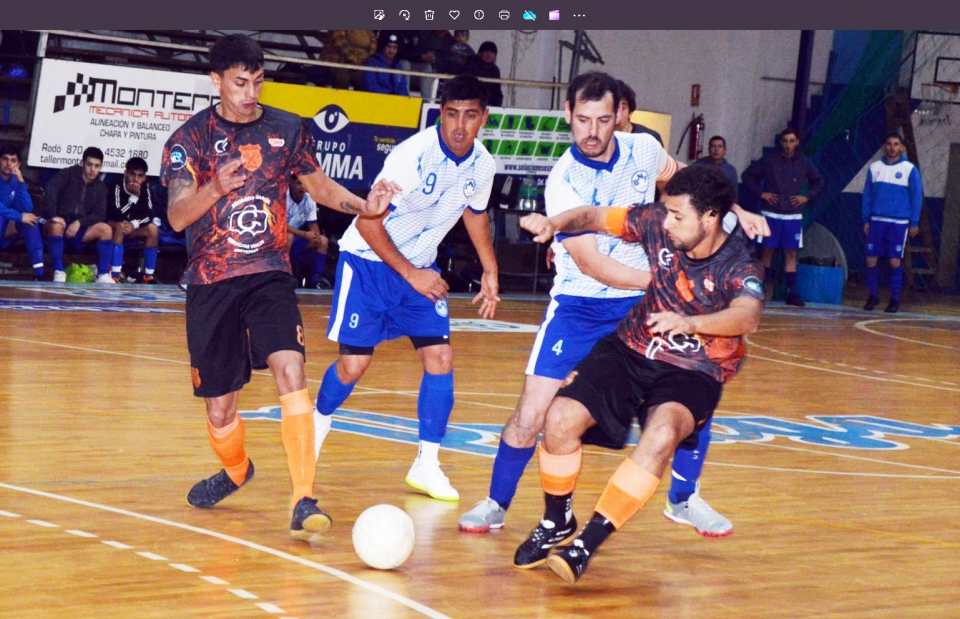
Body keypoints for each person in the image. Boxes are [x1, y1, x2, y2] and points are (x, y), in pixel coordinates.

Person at [459, 72, 767, 540]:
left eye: (603, 119)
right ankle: (496, 502)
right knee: (533, 412)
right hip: (581, 305)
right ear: (568, 115)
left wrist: (732, 209)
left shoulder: (643, 149)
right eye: (583, 120)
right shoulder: (564, 181)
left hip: (643, 306)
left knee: (694, 384)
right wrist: (671, 283)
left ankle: (683, 498)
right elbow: (593, 264)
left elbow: (686, 179)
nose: (593, 131)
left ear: (619, 115)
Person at [159, 34, 399, 541]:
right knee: (220, 408)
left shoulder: (288, 129)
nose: (250, 93)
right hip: (212, 280)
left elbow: (321, 187)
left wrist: (365, 207)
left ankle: (302, 498)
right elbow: (178, 217)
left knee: (291, 369)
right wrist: (216, 187)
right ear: (216, 81)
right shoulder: (189, 140)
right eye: (239, 83)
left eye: (258, 82)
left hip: (269, 272)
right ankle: (237, 469)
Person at [515, 165, 765, 584]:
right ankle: (557, 520)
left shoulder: (739, 266)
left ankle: (586, 544)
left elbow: (747, 316)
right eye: (667, 213)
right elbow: (594, 216)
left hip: (695, 368)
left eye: (679, 216)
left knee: (662, 433)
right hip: (631, 346)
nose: (667, 223)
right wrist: (555, 223)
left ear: (711, 218)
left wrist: (692, 324)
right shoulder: (656, 220)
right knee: (558, 418)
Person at [312, 75, 500, 504]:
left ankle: (427, 464)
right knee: (354, 366)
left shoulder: (483, 165)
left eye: (470, 116)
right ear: (440, 114)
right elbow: (368, 224)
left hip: (420, 268)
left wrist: (490, 269)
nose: (460, 125)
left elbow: (475, 213)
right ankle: (318, 421)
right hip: (368, 263)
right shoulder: (411, 157)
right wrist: (413, 274)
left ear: (484, 118)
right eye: (452, 114)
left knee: (440, 358)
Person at [742, 127, 824, 307]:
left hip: (793, 216)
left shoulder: (803, 162)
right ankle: (761, 290)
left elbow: (818, 181)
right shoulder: (770, 160)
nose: (788, 145)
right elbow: (747, 176)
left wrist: (807, 197)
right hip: (771, 213)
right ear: (781, 142)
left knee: (791, 253)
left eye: (792, 141)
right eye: (785, 141)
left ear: (797, 142)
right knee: (767, 251)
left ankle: (791, 293)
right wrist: (761, 194)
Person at [861, 133, 923, 314]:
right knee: (870, 259)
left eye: (896, 144)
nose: (892, 147)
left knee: (894, 261)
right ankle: (873, 295)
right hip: (876, 221)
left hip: (898, 222)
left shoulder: (909, 169)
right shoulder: (874, 168)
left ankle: (894, 299)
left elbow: (916, 197)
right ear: (884, 146)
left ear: (901, 147)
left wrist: (914, 221)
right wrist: (866, 219)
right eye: (889, 144)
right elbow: (867, 195)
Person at [42, 147, 115, 284]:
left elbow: (99, 213)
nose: (92, 169)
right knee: (56, 225)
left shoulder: (101, 187)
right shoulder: (68, 174)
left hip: (81, 229)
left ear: (101, 167)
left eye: (97, 166)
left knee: (106, 229)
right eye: (89, 164)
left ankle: (102, 274)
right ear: (82, 163)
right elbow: (50, 188)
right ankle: (59, 271)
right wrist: (53, 215)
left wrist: (80, 222)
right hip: (61, 224)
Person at [106, 157, 161, 284]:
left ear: (144, 177)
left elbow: (150, 214)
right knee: (120, 226)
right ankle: (115, 274)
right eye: (132, 174)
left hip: (132, 227)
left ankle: (148, 276)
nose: (136, 179)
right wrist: (134, 197)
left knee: (153, 229)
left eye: (140, 176)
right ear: (125, 173)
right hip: (113, 225)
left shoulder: (145, 186)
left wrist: (134, 224)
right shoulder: (117, 185)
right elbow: (116, 214)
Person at [0, 144, 44, 280]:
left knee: (30, 221)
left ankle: (39, 273)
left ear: (18, 164)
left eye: (13, 160)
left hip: (5, 230)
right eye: (5, 159)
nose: (8, 164)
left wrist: (20, 182)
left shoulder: (16, 181)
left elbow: (27, 209)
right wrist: (19, 217)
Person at [285, 172, 331, 289]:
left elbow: (313, 224)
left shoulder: (309, 199)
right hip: (278, 238)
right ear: (291, 183)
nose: (302, 187)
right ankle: (284, 276)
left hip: (298, 237)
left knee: (323, 241)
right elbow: (280, 225)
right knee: (289, 236)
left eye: (305, 184)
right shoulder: (283, 196)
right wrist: (305, 234)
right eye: (299, 183)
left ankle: (315, 279)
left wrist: (315, 237)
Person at [615, 80, 663, 146]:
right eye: (612, 107)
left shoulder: (650, 139)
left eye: (623, 108)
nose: (617, 114)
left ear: (630, 113)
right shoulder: (601, 137)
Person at [362, 32, 409, 96]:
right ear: (383, 47)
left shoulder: (398, 66)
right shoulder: (372, 63)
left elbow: (402, 89)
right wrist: (388, 95)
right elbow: (370, 86)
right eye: (389, 46)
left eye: (395, 47)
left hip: (394, 100)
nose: (391, 50)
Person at [461, 42, 504, 107]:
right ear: (480, 54)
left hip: (489, 106)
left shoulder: (495, 70)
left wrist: (497, 107)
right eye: (486, 52)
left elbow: (497, 91)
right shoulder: (470, 66)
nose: (489, 55)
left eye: (492, 53)